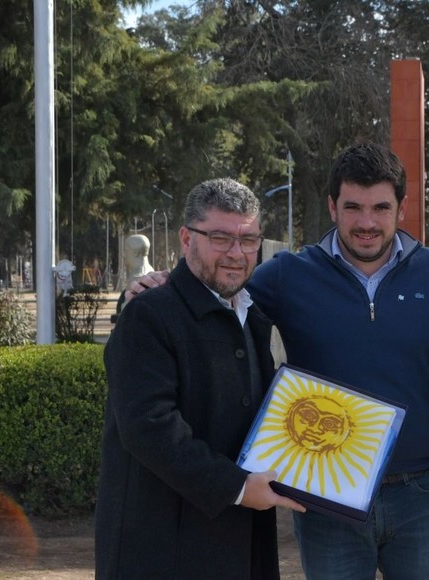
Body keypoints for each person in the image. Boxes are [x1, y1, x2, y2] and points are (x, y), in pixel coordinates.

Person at [127, 143, 429, 579]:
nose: (367, 222)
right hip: (325, 495)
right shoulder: (287, 274)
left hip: (424, 490)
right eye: (353, 207)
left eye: (381, 207)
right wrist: (154, 286)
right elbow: (215, 285)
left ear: (402, 208)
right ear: (332, 207)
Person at [95, 178, 305, 579]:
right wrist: (238, 488)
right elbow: (148, 427)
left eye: (248, 240)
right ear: (186, 238)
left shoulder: (251, 314)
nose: (237, 253)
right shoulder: (148, 314)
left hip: (236, 544)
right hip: (162, 549)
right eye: (221, 238)